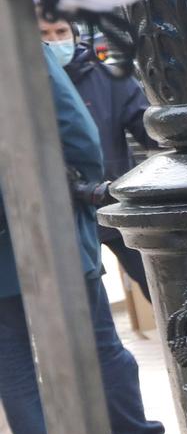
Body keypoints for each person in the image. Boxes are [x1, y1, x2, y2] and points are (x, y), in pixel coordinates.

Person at [1, 41, 184, 434]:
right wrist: (80, 184)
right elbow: (72, 123)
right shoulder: (14, 40)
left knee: (12, 362)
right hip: (43, 217)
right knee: (96, 339)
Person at [40, 19, 153, 299]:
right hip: (64, 214)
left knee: (155, 282)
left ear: (75, 34)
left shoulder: (110, 78)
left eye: (61, 31)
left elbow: (149, 130)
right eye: (43, 34)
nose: (54, 40)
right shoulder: (21, 88)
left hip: (113, 200)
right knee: (85, 301)